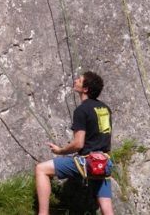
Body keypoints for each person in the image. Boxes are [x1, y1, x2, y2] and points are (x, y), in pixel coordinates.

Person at [35, 71, 114, 215]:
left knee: (41, 169)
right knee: (107, 210)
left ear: (85, 89)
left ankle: (43, 213)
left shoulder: (81, 110)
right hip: (104, 162)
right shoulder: (105, 109)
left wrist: (60, 151)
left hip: (88, 162)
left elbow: (78, 144)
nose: (76, 80)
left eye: (80, 80)